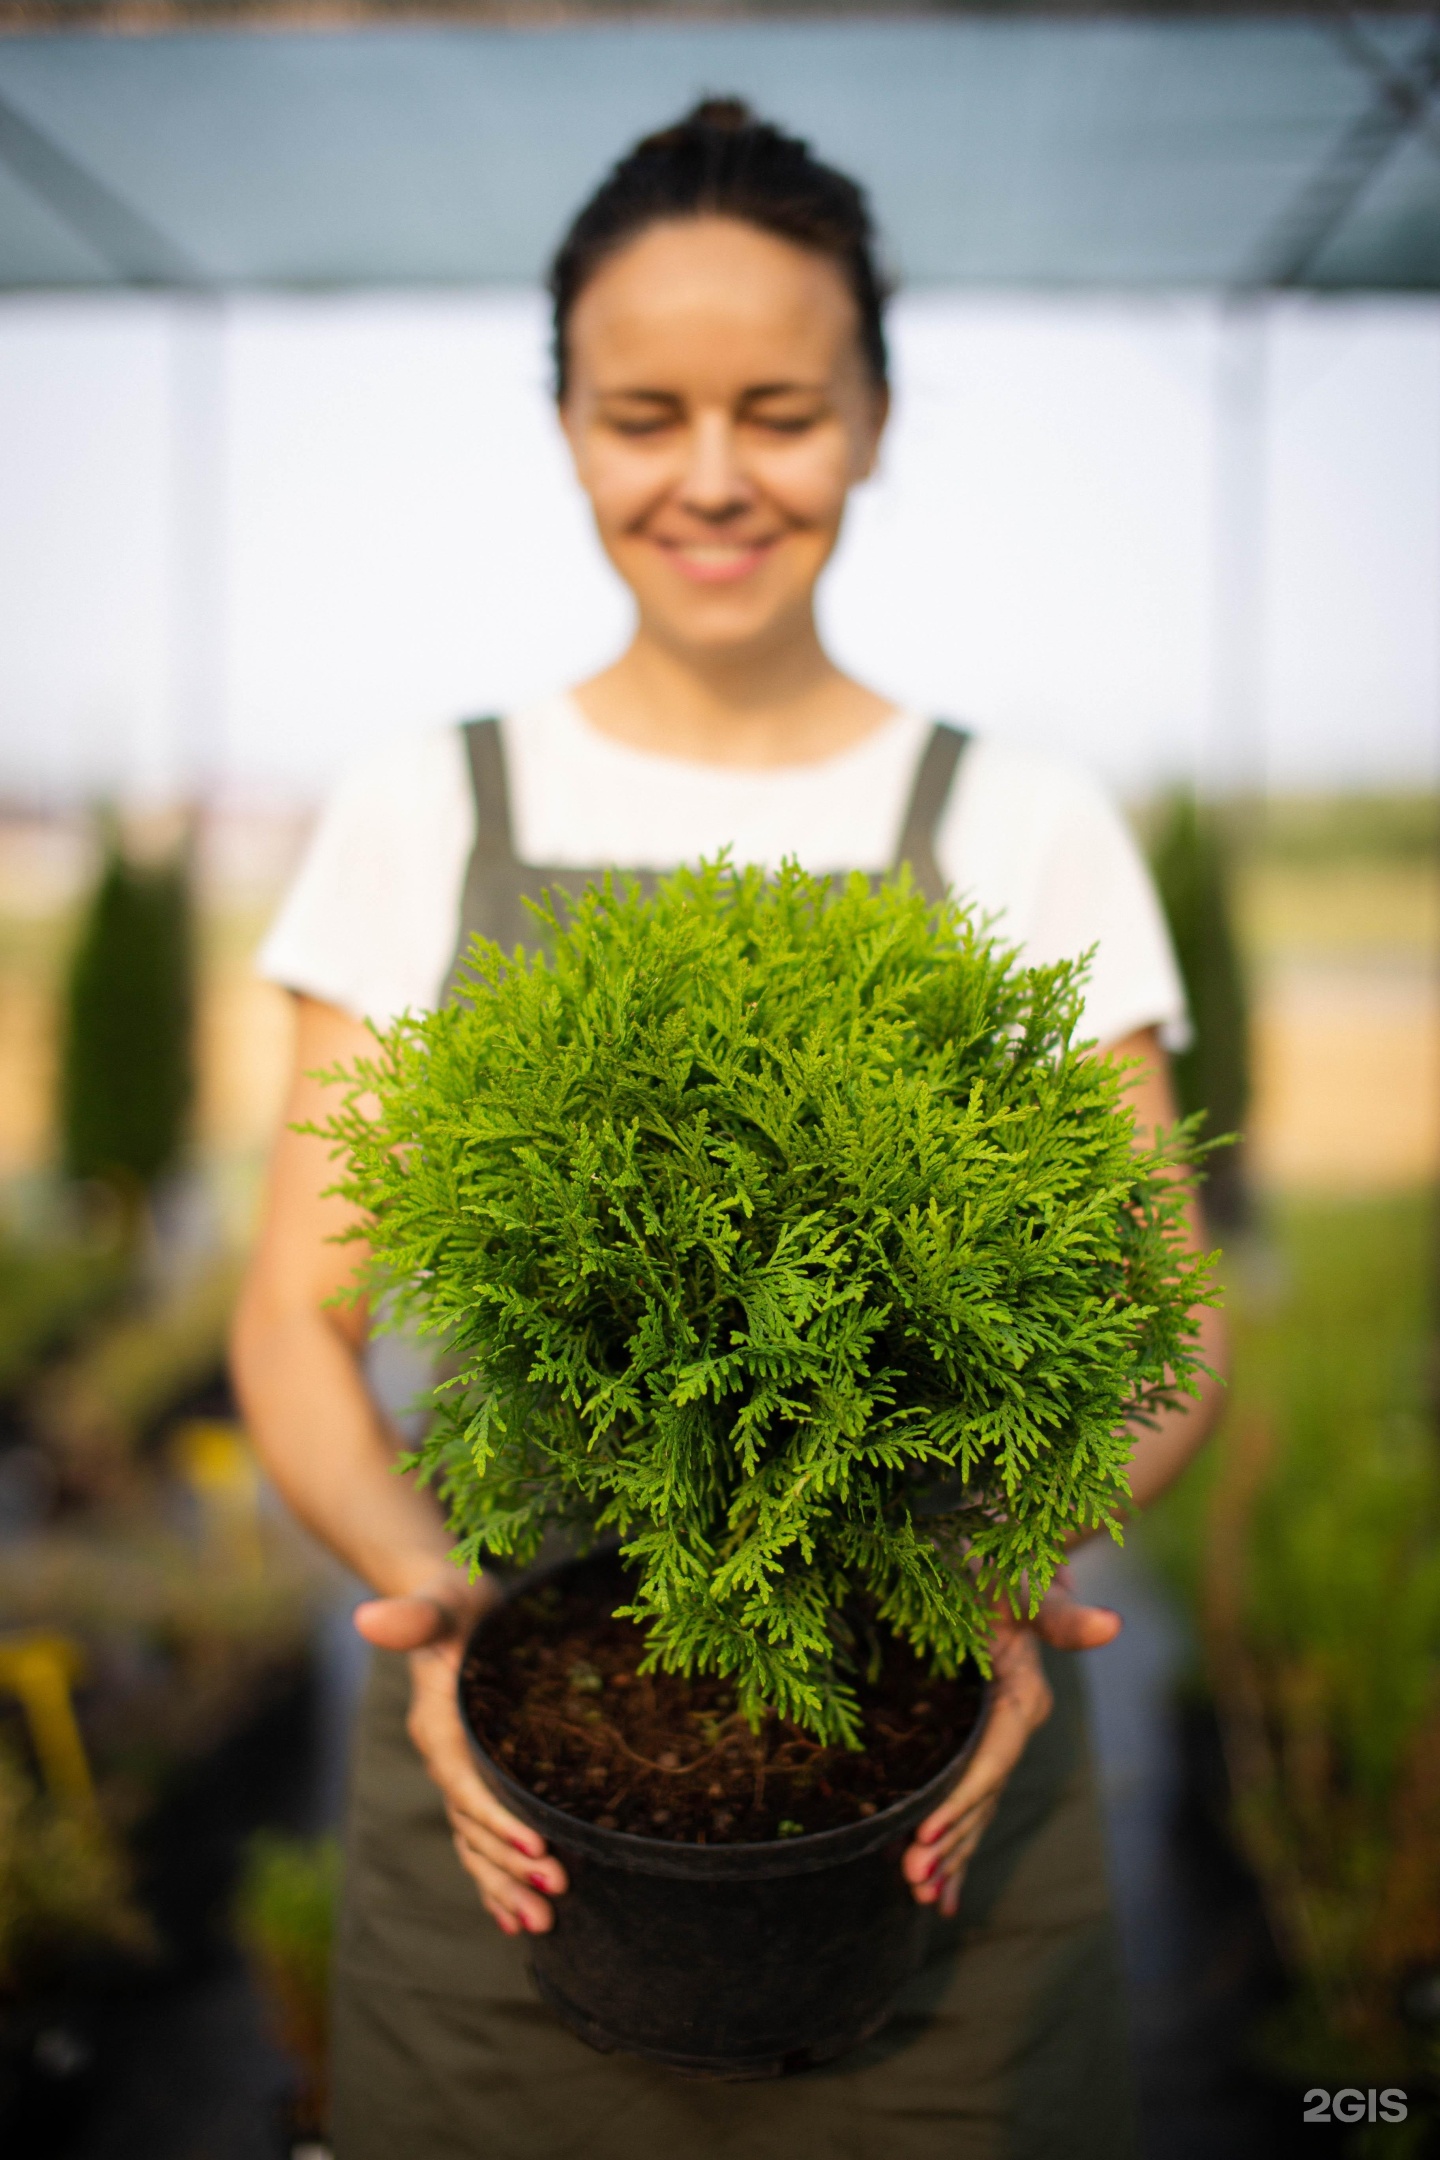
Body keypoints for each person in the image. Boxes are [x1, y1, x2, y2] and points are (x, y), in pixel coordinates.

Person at [233, 99, 1225, 2160]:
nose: (709, 477)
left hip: (937, 1792)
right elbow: (292, 1321)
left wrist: (1012, 1583)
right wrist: (438, 1605)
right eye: (641, 412)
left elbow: (1163, 1315)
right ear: (569, 426)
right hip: (514, 1810)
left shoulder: (1025, 826)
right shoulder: (429, 806)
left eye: (778, 409)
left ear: (871, 415)